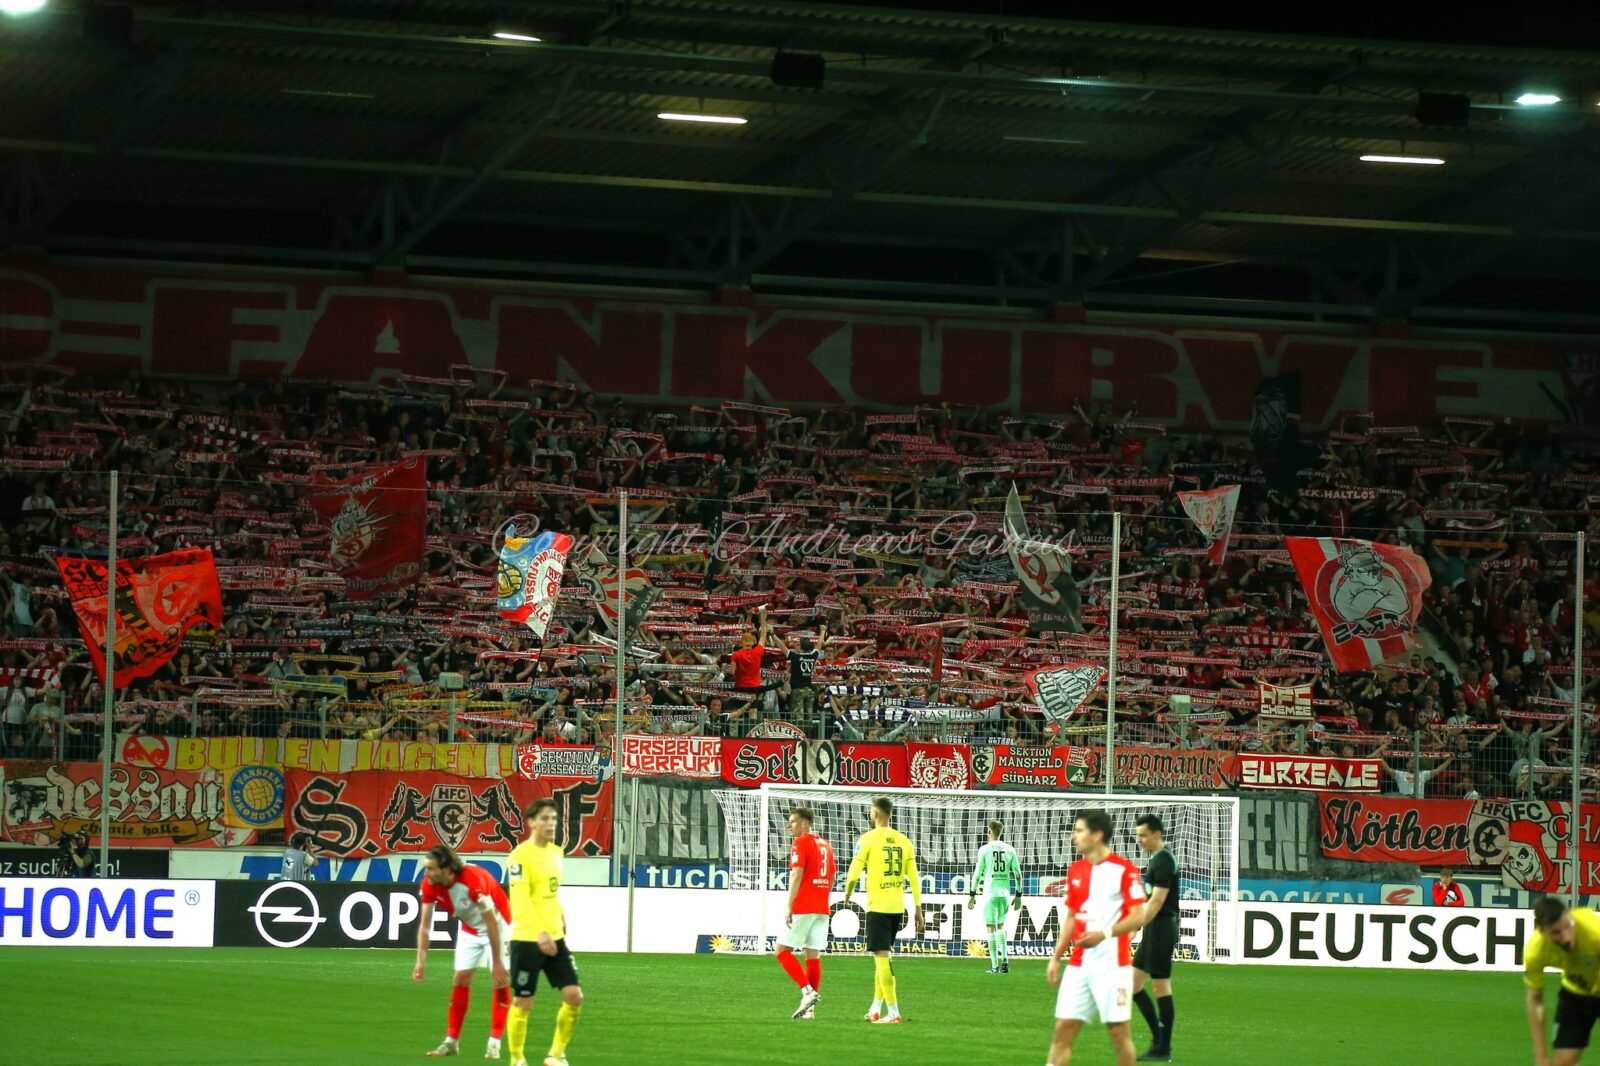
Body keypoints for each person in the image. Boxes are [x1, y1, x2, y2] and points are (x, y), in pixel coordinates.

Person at [1045, 810, 1147, 1066]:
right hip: (1079, 965)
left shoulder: (1124, 870)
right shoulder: (1075, 870)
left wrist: (1105, 934)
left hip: (1114, 966)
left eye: (1079, 831)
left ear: (1097, 835)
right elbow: (1071, 917)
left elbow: (1138, 916)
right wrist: (1056, 957)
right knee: (1062, 1031)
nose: (1073, 837)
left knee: (1119, 1033)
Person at [414, 844, 512, 1060]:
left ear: (447, 869)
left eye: (430, 868)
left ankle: (494, 1043)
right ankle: (451, 1042)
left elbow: (491, 923)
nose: (426, 873)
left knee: (500, 980)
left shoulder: (472, 881)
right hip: (470, 927)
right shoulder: (430, 885)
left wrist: (496, 962)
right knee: (460, 978)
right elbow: (425, 926)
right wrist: (420, 960)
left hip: (498, 925)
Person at [506, 798, 584, 1066]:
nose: (550, 823)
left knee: (574, 997)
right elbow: (521, 899)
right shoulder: (519, 856)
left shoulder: (556, 852)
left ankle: (556, 1055)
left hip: (556, 937)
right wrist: (540, 933)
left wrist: (560, 917)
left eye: (553, 818)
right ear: (531, 823)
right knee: (523, 1001)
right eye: (545, 819)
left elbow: (549, 893)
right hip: (529, 939)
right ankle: (517, 1059)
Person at [843, 795, 925, 1025]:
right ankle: (875, 1008)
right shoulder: (904, 841)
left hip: (877, 907)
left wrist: (848, 893)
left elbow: (853, 871)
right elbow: (914, 877)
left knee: (882, 960)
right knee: (883, 957)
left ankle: (894, 1012)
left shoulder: (868, 839)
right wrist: (917, 907)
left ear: (875, 813)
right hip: (897, 908)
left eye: (871, 811)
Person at [774, 805, 836, 1020]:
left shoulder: (800, 843)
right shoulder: (826, 844)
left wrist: (789, 905)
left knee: (781, 951)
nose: (789, 825)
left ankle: (807, 992)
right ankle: (810, 1010)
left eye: (792, 821)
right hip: (822, 906)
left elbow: (796, 875)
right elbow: (832, 875)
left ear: (805, 823)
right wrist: (822, 896)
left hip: (805, 905)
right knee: (812, 954)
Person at [1524, 896, 1600, 1066]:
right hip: (1576, 994)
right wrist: (1541, 1056)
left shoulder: (1594, 929)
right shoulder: (1535, 952)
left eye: (1567, 926)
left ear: (1569, 916)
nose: (1567, 938)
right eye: (1556, 933)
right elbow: (1535, 1000)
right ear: (1541, 930)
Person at [1129, 814, 1180, 1063]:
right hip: (1153, 928)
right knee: (1133, 984)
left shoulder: (1164, 861)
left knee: (1161, 987)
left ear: (1156, 835)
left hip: (1162, 929)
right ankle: (1157, 1042)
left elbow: (1158, 902)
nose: (1139, 840)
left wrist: (1135, 925)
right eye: (1138, 835)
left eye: (1143, 835)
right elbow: (1149, 901)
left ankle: (1163, 1048)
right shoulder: (1157, 860)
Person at [966, 818, 1022, 974]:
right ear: (1001, 832)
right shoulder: (1010, 849)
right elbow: (1018, 874)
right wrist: (1018, 895)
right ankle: (1005, 961)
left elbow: (978, 874)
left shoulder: (984, 849)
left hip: (990, 893)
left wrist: (972, 894)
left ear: (989, 832)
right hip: (1005, 893)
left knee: (991, 927)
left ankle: (995, 966)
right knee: (1001, 926)